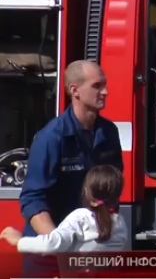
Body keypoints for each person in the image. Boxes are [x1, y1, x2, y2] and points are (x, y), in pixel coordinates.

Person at [19, 60, 123, 276]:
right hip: (49, 257)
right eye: (97, 86)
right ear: (75, 90)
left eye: (104, 84)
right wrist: (60, 247)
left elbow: (111, 191)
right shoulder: (51, 138)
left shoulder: (109, 133)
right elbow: (32, 199)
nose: (105, 91)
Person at [3, 165, 126, 253]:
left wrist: (19, 241)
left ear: (87, 193)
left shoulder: (81, 218)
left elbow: (52, 244)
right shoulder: (120, 223)